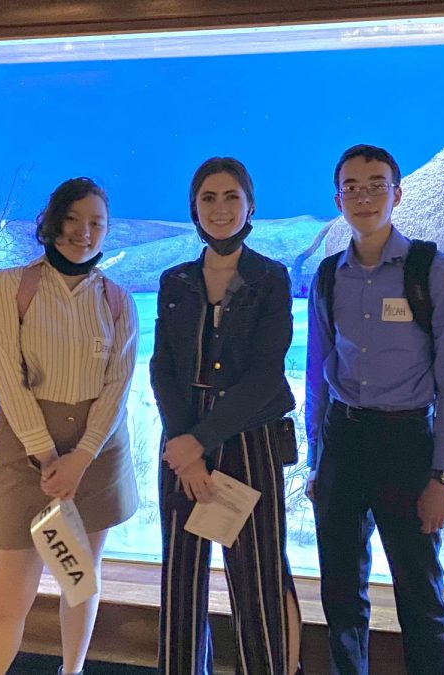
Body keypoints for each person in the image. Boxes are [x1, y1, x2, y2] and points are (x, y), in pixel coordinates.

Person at [305, 144, 444, 675]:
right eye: (351, 187)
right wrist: (317, 458)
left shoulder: (433, 270)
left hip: (407, 444)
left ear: (397, 194)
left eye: (376, 183)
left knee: (419, 594)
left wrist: (441, 476)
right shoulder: (329, 276)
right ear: (337, 198)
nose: (363, 196)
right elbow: (317, 373)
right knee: (340, 593)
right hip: (342, 440)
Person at [0, 177, 139, 675]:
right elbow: (7, 379)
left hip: (97, 455)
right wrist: (48, 458)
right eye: (73, 219)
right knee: (7, 600)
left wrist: (80, 459)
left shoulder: (118, 301)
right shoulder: (9, 289)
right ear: (51, 221)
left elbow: (117, 388)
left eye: (96, 223)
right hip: (26, 456)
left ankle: (73, 670)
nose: (83, 232)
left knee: (79, 581)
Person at [151, 157, 303, 675]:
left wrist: (200, 442)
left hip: (248, 435)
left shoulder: (270, 279)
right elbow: (162, 367)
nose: (220, 208)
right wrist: (182, 445)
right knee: (181, 579)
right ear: (194, 208)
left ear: (250, 205)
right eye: (209, 198)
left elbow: (265, 375)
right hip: (181, 438)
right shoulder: (174, 281)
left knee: (258, 575)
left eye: (231, 197)